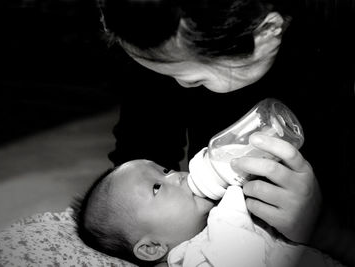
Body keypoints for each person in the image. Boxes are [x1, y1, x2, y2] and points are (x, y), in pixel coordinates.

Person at [95, 0, 355, 263]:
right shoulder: (157, 23)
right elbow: (129, 182)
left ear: (267, 32)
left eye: (194, 79)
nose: (177, 85)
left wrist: (321, 227)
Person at [71, 158, 347, 267]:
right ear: (153, 247)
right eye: (156, 188)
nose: (177, 176)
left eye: (165, 170)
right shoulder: (204, 253)